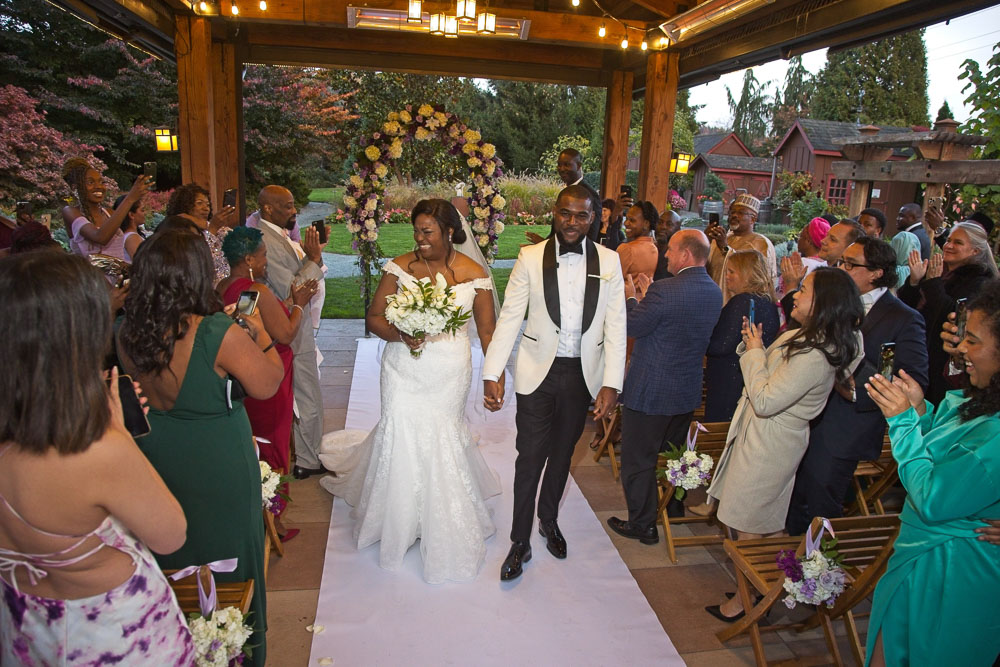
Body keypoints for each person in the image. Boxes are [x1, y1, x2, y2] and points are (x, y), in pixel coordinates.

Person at [0, 252, 194, 665]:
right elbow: (170, 535)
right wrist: (120, 436)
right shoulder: (96, 449)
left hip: (26, 623)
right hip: (110, 629)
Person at [117, 231, 284, 666]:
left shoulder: (125, 332)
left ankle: (176, 644)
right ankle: (235, 648)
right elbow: (267, 384)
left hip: (157, 454)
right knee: (230, 551)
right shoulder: (216, 331)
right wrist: (260, 336)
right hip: (217, 457)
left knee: (170, 549)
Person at [319, 199, 501, 583]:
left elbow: (487, 330)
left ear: (450, 232)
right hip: (402, 368)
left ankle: (440, 517)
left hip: (448, 370)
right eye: (416, 231)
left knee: (440, 434)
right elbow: (372, 318)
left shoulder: (473, 274)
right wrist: (401, 333)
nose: (419, 239)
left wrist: (494, 375)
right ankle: (398, 518)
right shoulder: (400, 267)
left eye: (427, 232)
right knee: (400, 428)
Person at [483, 184, 627, 581]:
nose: (572, 222)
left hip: (583, 374)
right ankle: (519, 541)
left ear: (594, 217)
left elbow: (616, 326)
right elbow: (510, 316)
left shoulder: (610, 261)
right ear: (555, 212)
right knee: (529, 457)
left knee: (562, 456)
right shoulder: (530, 257)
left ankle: (548, 520)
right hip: (537, 373)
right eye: (565, 213)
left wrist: (611, 383)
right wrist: (492, 372)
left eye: (582, 215)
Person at [705, 267, 864, 621]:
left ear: (822, 303)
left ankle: (751, 602)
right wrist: (755, 348)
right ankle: (769, 586)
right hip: (763, 436)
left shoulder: (815, 353)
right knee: (762, 523)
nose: (795, 295)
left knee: (747, 525)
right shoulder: (811, 336)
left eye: (804, 290)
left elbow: (764, 399)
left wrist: (754, 351)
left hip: (770, 443)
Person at [863, 282, 1000, 666]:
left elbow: (933, 499)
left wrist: (902, 423)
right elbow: (946, 448)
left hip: (955, 568)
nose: (961, 351)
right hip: (925, 554)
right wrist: (921, 412)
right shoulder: (984, 397)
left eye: (973, 341)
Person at [785, 237, 928, 535]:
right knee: (793, 495)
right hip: (807, 414)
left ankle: (819, 574)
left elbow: (913, 379)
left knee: (822, 502)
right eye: (841, 262)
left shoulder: (904, 318)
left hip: (848, 425)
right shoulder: (832, 302)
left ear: (876, 272)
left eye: (850, 264)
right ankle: (790, 562)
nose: (841, 268)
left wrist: (855, 387)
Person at [606, 230, 722, 543]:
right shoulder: (714, 291)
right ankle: (673, 508)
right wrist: (649, 297)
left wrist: (631, 298)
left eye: (670, 250)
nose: (666, 256)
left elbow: (633, 325)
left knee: (638, 460)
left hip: (651, 391)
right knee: (673, 455)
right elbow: (671, 322)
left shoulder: (665, 291)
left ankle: (643, 524)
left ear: (686, 254)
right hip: (685, 390)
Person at [218, 226, 318, 481]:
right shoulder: (256, 290)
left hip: (245, 374)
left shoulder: (226, 286)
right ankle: (274, 510)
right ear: (249, 260)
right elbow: (285, 334)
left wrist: (288, 303)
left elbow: (252, 319)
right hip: (271, 376)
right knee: (272, 446)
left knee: (252, 442)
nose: (266, 262)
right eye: (263, 255)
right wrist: (299, 304)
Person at [255, 185, 327, 479]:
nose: (294, 211)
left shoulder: (275, 235)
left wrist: (314, 256)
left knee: (305, 393)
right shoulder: (266, 241)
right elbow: (294, 290)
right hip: (288, 328)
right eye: (287, 206)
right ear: (268, 208)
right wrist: (312, 259)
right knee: (307, 395)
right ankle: (307, 461)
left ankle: (306, 454)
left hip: (291, 325)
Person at [899, 222, 998, 404]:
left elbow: (954, 317)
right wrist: (914, 282)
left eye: (958, 243)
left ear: (975, 251)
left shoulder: (980, 282)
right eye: (949, 240)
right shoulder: (940, 272)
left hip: (944, 364)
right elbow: (909, 310)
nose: (949, 245)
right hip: (919, 355)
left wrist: (934, 284)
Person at [704, 249, 781, 423]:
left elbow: (722, 344)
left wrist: (700, 338)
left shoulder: (741, 302)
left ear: (747, 274)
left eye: (732, 272)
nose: (727, 277)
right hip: (749, 378)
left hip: (728, 381)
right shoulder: (769, 302)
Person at [61, 157, 149, 261]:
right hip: (91, 277)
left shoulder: (110, 213)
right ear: (75, 187)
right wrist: (130, 198)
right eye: (90, 182)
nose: (99, 186)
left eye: (101, 182)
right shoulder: (70, 212)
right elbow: (100, 237)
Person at [705, 194, 777, 302]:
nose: (734, 215)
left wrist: (725, 248)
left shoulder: (761, 243)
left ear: (753, 219)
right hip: (712, 301)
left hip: (740, 305)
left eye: (740, 213)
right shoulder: (723, 238)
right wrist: (706, 241)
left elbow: (756, 280)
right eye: (732, 212)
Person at [525, 149, 602, 245]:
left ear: (578, 166)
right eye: (559, 165)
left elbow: (590, 238)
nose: (561, 169)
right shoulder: (565, 192)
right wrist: (542, 245)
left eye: (566, 165)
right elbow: (557, 233)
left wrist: (545, 244)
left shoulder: (589, 195)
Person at [165, 183, 237, 284]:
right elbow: (198, 261)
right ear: (184, 205)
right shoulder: (179, 230)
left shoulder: (217, 228)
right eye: (199, 203)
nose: (205, 208)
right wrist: (212, 229)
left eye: (208, 205)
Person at [616, 201, 660, 288]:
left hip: (625, 300)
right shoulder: (654, 248)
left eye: (632, 220)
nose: (626, 223)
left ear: (646, 224)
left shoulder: (627, 249)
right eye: (627, 218)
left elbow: (614, 282)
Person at [113, 193, 145, 262]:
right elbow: (142, 264)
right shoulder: (132, 238)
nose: (145, 213)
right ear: (131, 215)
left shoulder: (124, 235)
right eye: (142, 210)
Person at [653, 209, 681, 280]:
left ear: (678, 230)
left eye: (669, 224)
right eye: (660, 222)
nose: (663, 227)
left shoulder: (677, 257)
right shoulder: (649, 248)